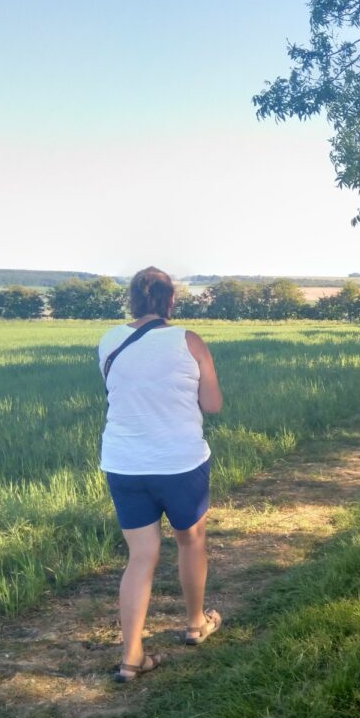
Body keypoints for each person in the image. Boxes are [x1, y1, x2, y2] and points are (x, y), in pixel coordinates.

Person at [97, 266, 224, 682]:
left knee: (141, 556)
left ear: (131, 301)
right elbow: (213, 404)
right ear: (171, 301)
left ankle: (131, 657)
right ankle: (194, 624)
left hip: (123, 462)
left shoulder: (109, 341)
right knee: (191, 541)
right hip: (179, 462)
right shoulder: (189, 341)